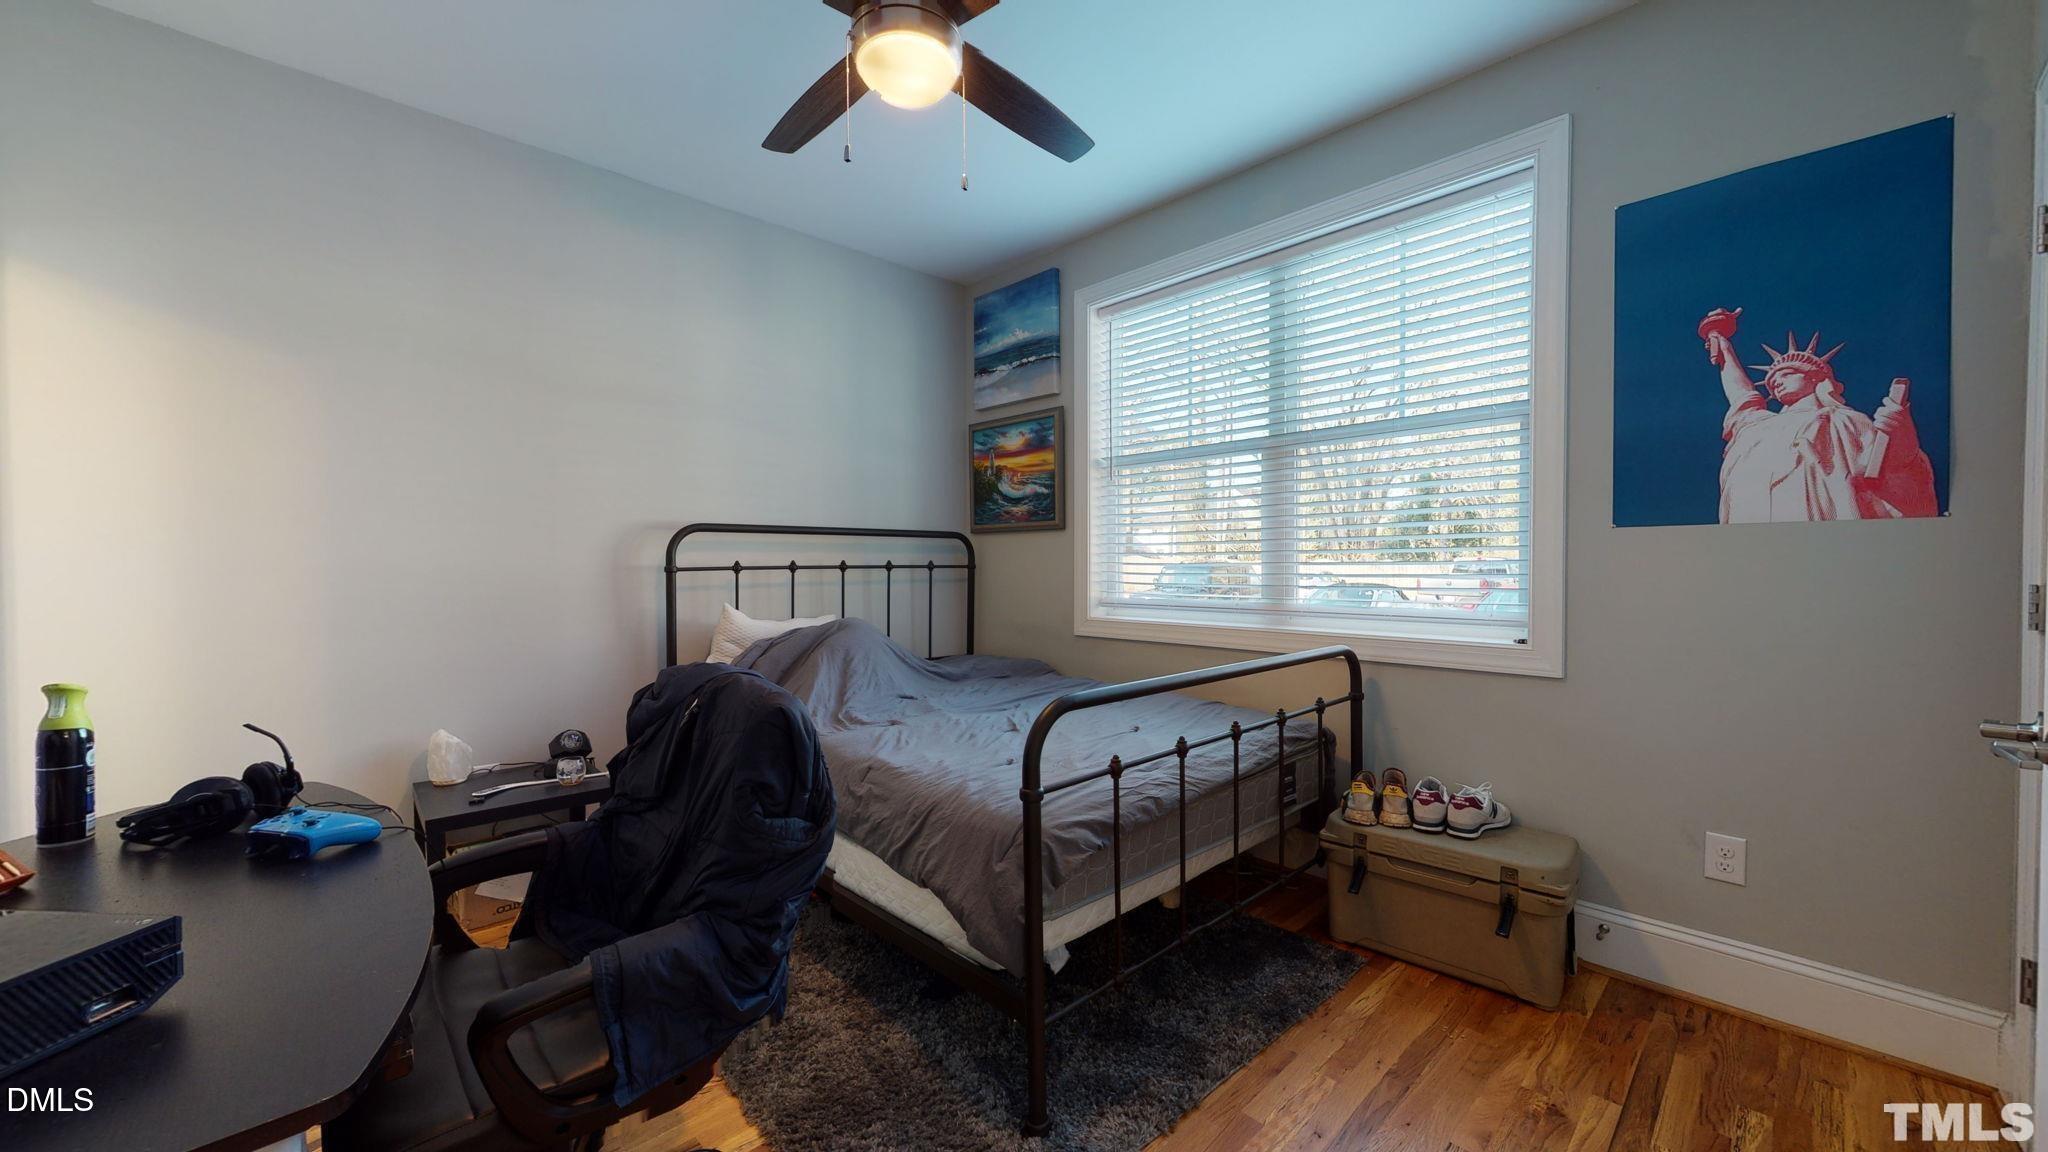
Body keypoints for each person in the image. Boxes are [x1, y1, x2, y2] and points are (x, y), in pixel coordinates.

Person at [1703, 326, 1937, 522]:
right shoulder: (1757, 427)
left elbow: (1892, 472)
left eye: (1787, 374)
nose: (1776, 384)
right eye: (1772, 382)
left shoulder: (1844, 421)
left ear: (1815, 376)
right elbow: (1741, 395)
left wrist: (1901, 433)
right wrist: (1723, 346)